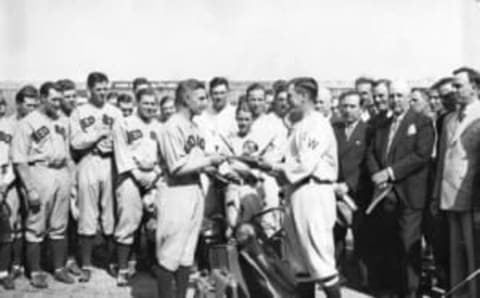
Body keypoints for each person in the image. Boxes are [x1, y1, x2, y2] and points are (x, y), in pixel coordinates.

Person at [266, 77, 341, 298]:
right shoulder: (300, 124)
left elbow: (305, 166)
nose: (287, 100)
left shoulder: (317, 124)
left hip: (314, 192)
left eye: (290, 95)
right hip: (296, 192)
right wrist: (267, 165)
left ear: (304, 96)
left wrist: (273, 166)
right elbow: (285, 161)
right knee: (300, 264)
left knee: (320, 260)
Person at [155, 79, 225, 298]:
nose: (205, 102)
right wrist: (209, 161)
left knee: (187, 252)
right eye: (201, 98)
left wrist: (215, 170)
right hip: (175, 192)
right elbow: (176, 166)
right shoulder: (171, 126)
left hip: (194, 190)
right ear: (186, 99)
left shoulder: (194, 126)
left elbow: (196, 160)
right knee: (169, 253)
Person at [366, 80, 435, 297]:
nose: (395, 100)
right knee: (391, 244)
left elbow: (421, 155)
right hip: (386, 195)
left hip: (410, 195)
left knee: (408, 246)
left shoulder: (422, 122)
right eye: (392, 96)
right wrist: (378, 175)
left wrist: (390, 173)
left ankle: (410, 292)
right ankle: (395, 289)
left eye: (399, 96)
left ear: (408, 98)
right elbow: (371, 152)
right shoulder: (383, 124)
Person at [11, 82, 75, 288]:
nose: (59, 104)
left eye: (60, 99)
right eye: (54, 100)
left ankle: (58, 268)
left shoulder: (62, 121)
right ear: (43, 99)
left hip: (60, 172)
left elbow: (68, 154)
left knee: (59, 225)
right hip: (39, 171)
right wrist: (30, 189)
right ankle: (36, 271)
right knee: (36, 225)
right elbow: (19, 159)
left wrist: (71, 181)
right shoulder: (28, 122)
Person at [69, 72, 123, 282]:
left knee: (110, 213)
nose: (102, 93)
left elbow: (121, 139)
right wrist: (97, 136)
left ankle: (110, 261)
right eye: (98, 89)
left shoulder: (115, 112)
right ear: (89, 90)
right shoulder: (79, 111)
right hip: (88, 161)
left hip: (109, 162)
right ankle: (86, 264)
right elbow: (75, 142)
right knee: (87, 213)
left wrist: (109, 142)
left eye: (104, 88)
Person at [433, 67, 480, 298]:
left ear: (475, 87)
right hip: (449, 195)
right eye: (453, 86)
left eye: (459, 85)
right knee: (455, 253)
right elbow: (442, 159)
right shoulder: (449, 119)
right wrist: (436, 196)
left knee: (473, 253)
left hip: (471, 195)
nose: (455, 90)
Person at [112, 88, 161, 286]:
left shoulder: (160, 126)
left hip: (154, 177)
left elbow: (165, 156)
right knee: (128, 219)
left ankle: (151, 263)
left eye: (152, 104)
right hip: (130, 175)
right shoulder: (124, 123)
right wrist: (139, 175)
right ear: (137, 104)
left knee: (155, 220)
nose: (149, 107)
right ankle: (123, 268)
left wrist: (156, 173)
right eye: (146, 103)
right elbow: (121, 153)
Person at [332, 91, 370, 286]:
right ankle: (336, 274)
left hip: (358, 192)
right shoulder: (334, 129)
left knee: (361, 236)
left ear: (361, 109)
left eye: (352, 106)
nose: (347, 110)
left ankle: (363, 280)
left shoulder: (368, 131)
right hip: (334, 191)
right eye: (344, 106)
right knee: (335, 235)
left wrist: (349, 185)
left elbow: (367, 163)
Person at [0, 97, 21, 290]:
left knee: (8, 230)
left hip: (6, 179)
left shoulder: (11, 126)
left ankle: (4, 271)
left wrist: (5, 183)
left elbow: (16, 157)